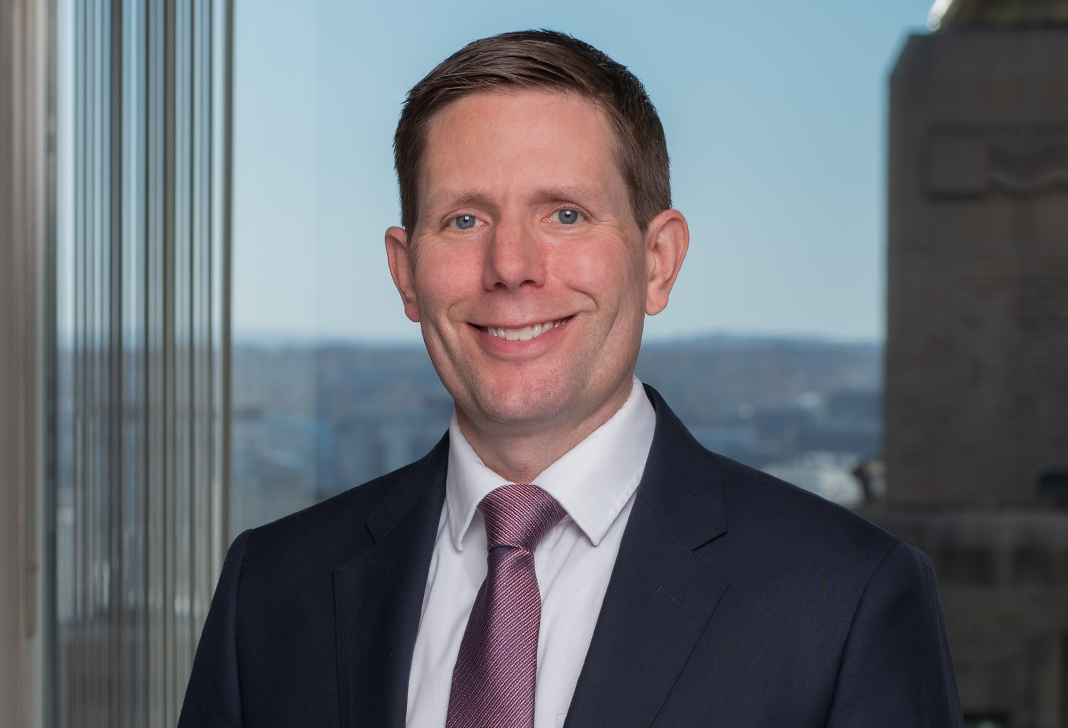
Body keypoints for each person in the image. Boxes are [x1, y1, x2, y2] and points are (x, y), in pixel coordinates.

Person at [178, 30, 963, 728]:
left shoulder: (845, 600)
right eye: (464, 220)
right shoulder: (271, 589)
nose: (511, 266)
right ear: (405, 272)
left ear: (658, 262)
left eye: (564, 214)